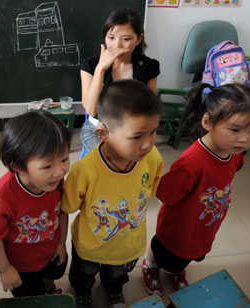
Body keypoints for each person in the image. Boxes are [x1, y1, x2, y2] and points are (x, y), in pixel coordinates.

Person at [141, 83, 250, 295]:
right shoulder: (192, 163)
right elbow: (164, 194)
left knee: (189, 254)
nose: (245, 139)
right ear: (207, 122)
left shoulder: (234, 152)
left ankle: (175, 270)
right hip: (179, 228)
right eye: (235, 129)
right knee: (164, 251)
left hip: (204, 224)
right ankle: (150, 265)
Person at [62, 80, 164, 308]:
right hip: (90, 246)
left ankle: (114, 291)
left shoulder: (152, 158)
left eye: (153, 132)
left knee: (117, 277)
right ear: (104, 133)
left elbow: (154, 186)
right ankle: (82, 291)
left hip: (128, 244)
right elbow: (67, 207)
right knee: (83, 275)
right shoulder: (84, 171)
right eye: (137, 136)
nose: (148, 144)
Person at [0, 110, 71, 297]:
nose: (60, 171)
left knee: (52, 275)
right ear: (18, 166)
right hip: (21, 265)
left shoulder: (54, 182)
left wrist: (61, 242)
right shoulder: (0, 196)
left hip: (50, 250)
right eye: (47, 166)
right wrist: (5, 269)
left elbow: (61, 211)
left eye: (64, 159)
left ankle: (49, 289)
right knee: (30, 295)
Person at [80, 8, 160, 156]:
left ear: (138, 39)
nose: (116, 45)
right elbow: (91, 110)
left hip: (134, 129)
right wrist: (100, 70)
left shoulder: (149, 67)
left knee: (139, 162)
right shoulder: (90, 65)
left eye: (126, 39)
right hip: (98, 129)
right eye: (111, 37)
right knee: (110, 162)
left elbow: (150, 108)